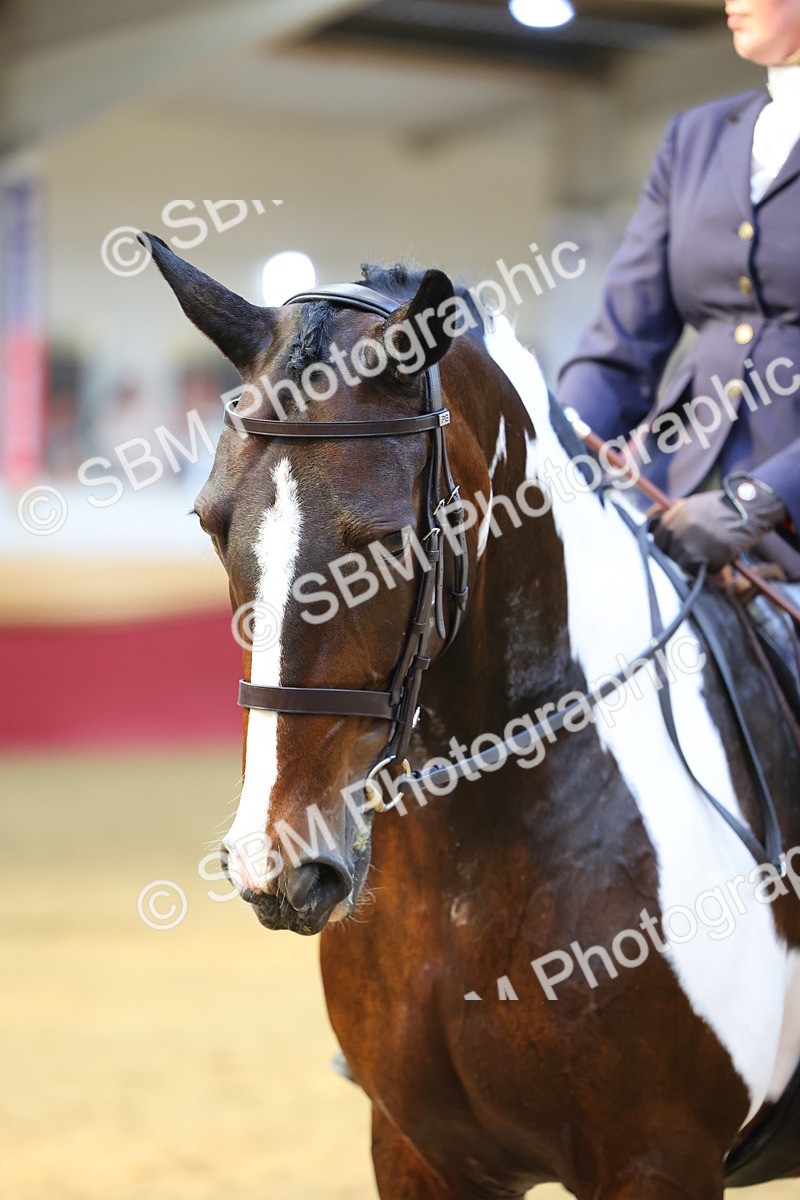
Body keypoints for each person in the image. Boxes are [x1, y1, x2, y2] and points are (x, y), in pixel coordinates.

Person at [558, 1, 800, 593]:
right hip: (673, 491)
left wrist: (764, 499)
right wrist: (551, 451)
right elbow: (623, 340)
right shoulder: (693, 137)